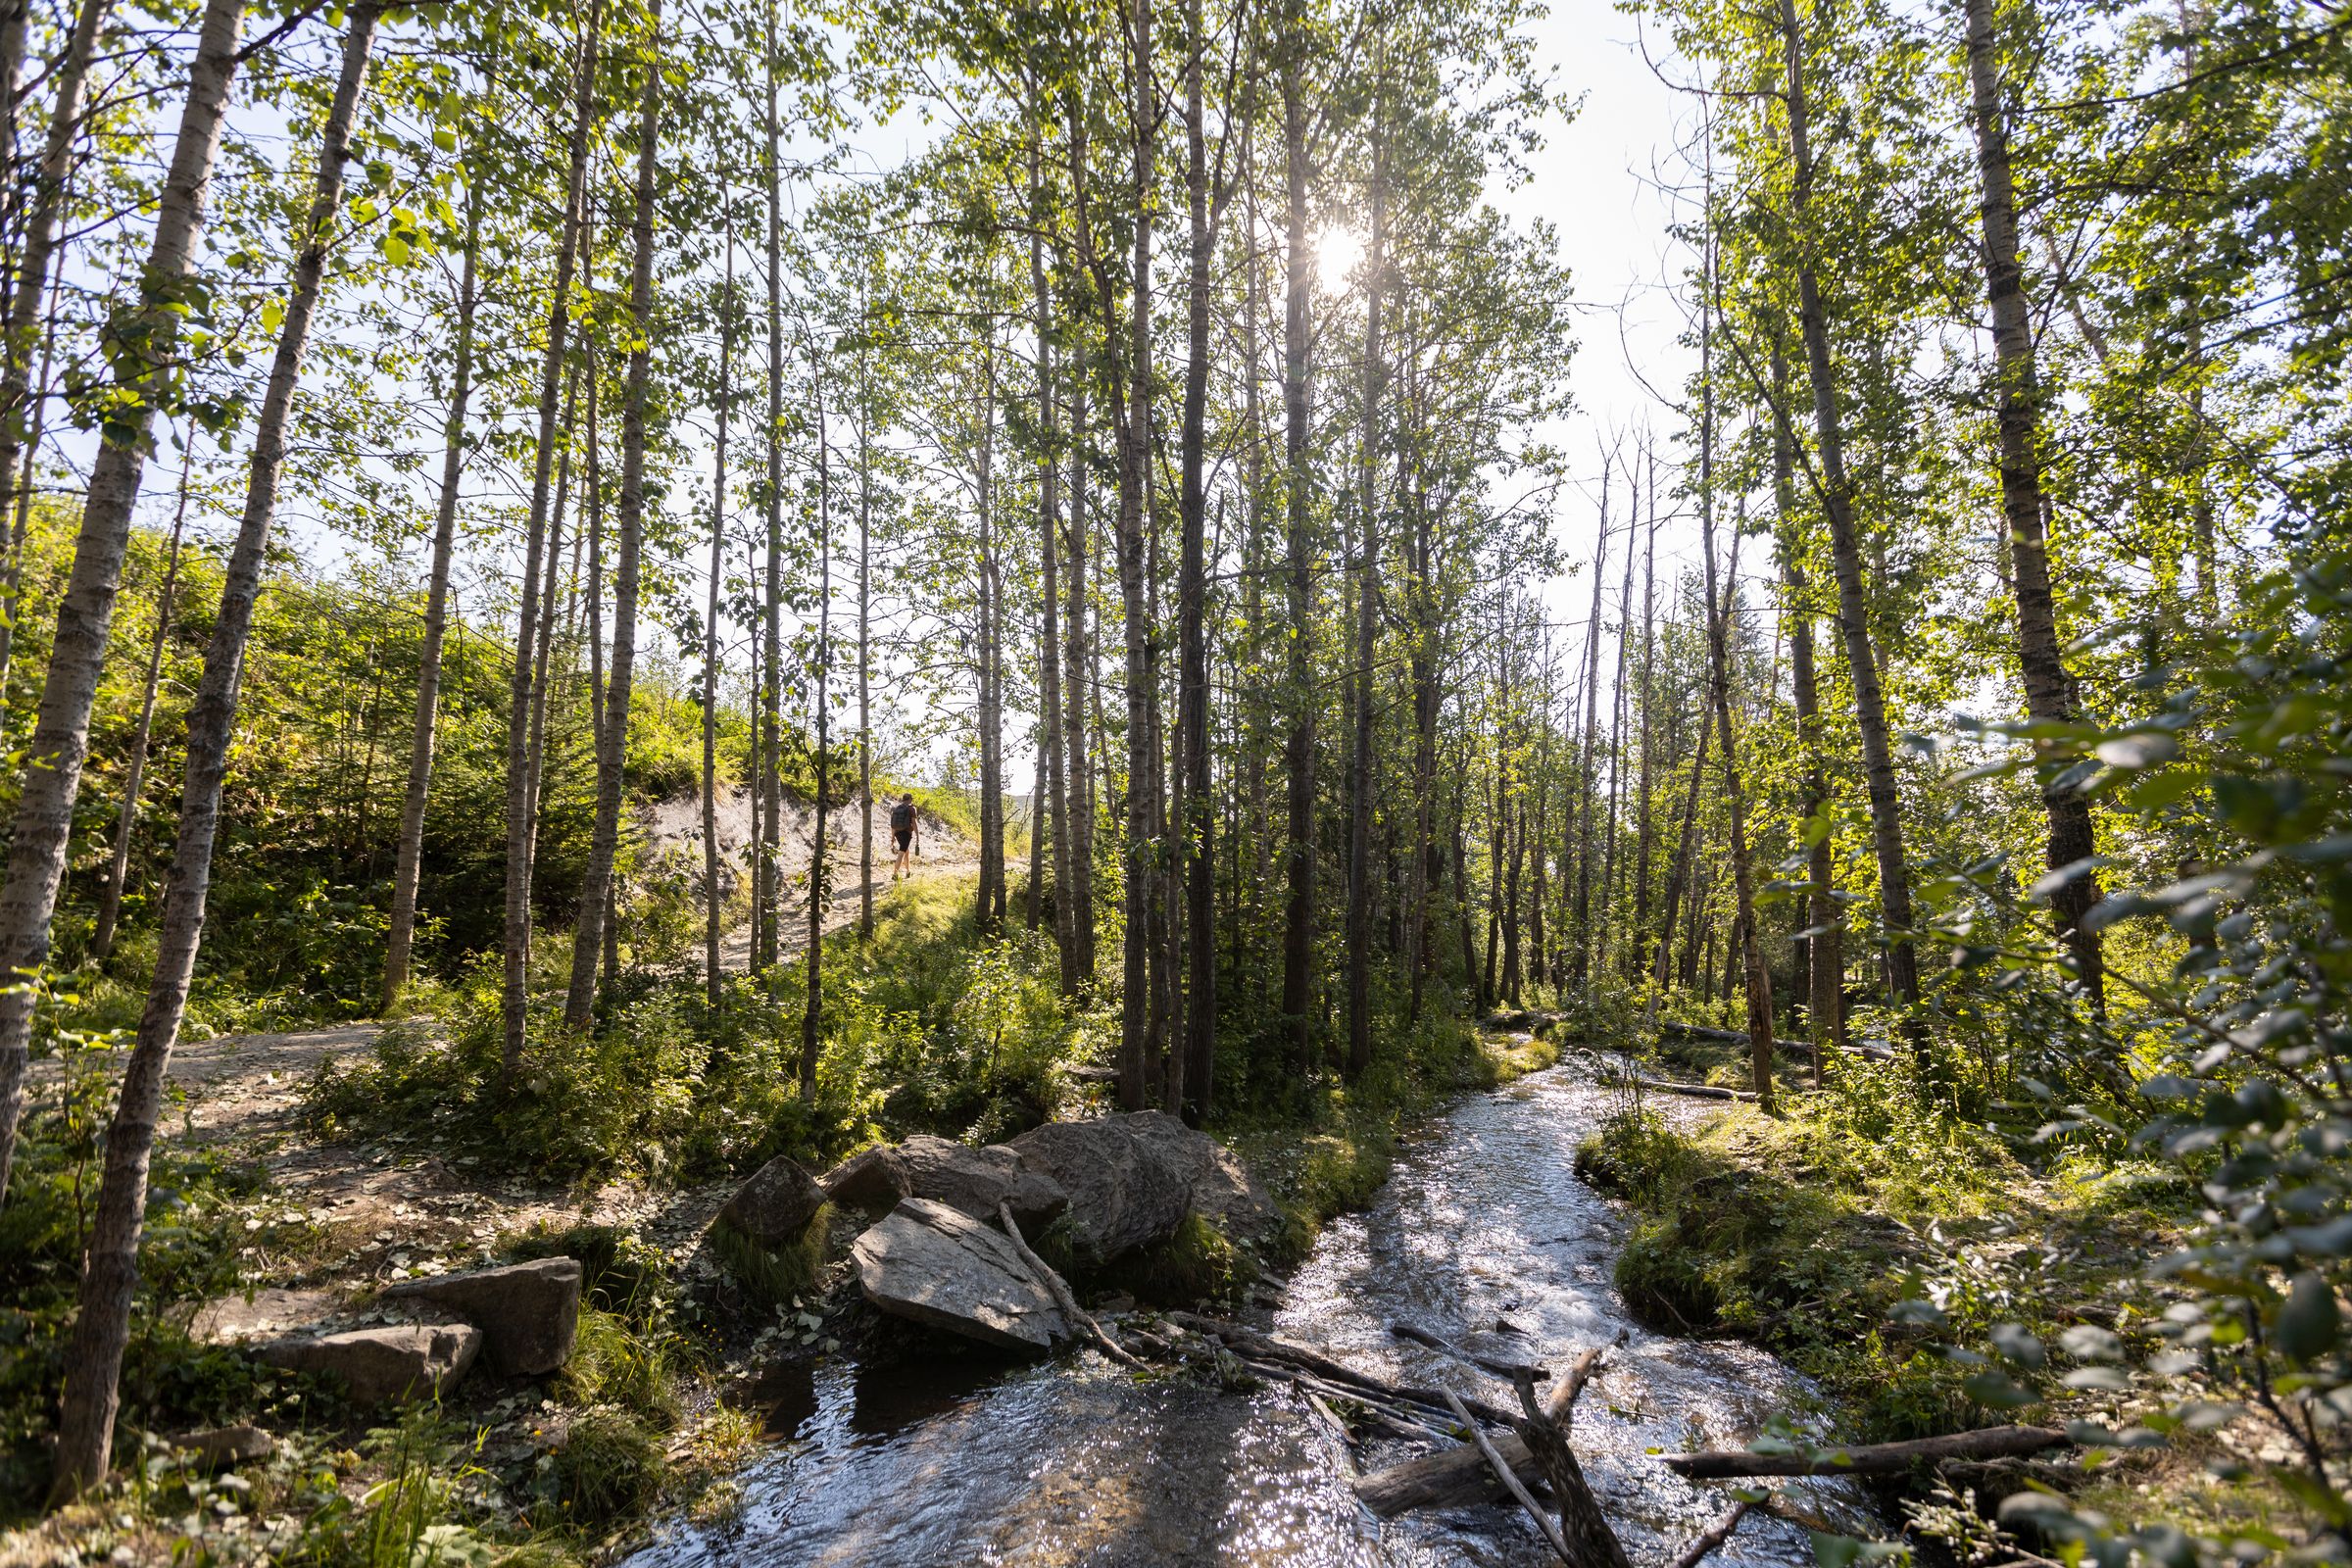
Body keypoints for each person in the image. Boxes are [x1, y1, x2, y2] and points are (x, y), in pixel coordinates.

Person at [890, 793, 919, 882]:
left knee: (906, 852)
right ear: (910, 799)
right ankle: (895, 874)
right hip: (906, 833)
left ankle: (908, 871)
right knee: (901, 853)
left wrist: (892, 836)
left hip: (897, 833)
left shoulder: (897, 809)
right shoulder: (912, 809)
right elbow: (914, 823)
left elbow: (893, 824)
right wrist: (918, 836)